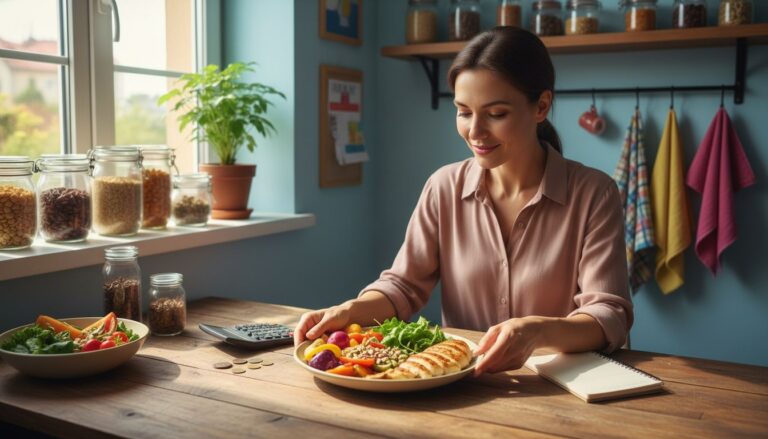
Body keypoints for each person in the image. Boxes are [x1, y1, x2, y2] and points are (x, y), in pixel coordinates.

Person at [294, 27, 632, 376]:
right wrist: (349, 311)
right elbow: (403, 286)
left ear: (541, 106)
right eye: (463, 111)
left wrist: (535, 331)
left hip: (558, 389)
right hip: (460, 388)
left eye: (496, 113)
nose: (475, 131)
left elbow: (608, 314)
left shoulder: (594, 194)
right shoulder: (443, 187)